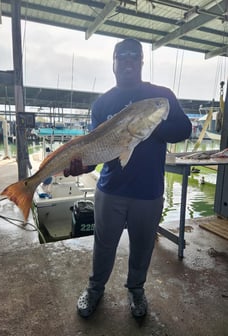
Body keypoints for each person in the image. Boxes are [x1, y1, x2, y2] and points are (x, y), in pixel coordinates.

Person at [64, 38, 192, 318]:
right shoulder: (103, 103)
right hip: (111, 189)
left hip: (149, 192)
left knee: (143, 246)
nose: (128, 62)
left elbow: (184, 128)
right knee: (104, 244)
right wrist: (80, 166)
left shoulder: (160, 96)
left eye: (134, 57)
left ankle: (136, 290)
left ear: (141, 62)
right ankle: (95, 288)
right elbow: (95, 149)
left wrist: (148, 126)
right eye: (122, 58)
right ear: (114, 63)